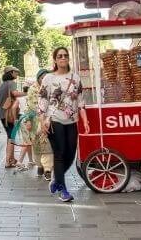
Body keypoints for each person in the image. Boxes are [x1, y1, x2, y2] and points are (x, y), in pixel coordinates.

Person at [38, 47, 89, 203]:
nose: (63, 58)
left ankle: (56, 180)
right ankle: (63, 190)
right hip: (54, 120)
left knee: (71, 154)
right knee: (59, 154)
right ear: (55, 60)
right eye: (59, 56)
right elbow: (42, 102)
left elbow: (80, 101)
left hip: (72, 121)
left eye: (65, 55)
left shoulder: (75, 77)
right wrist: (42, 122)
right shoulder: (48, 78)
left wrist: (85, 120)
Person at [0, 65, 24, 168]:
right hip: (10, 115)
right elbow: (15, 93)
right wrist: (27, 93)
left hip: (3, 115)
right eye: (15, 72)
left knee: (10, 136)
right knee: (11, 137)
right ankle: (8, 161)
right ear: (11, 73)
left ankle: (11, 159)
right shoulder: (12, 83)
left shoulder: (2, 85)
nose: (17, 74)